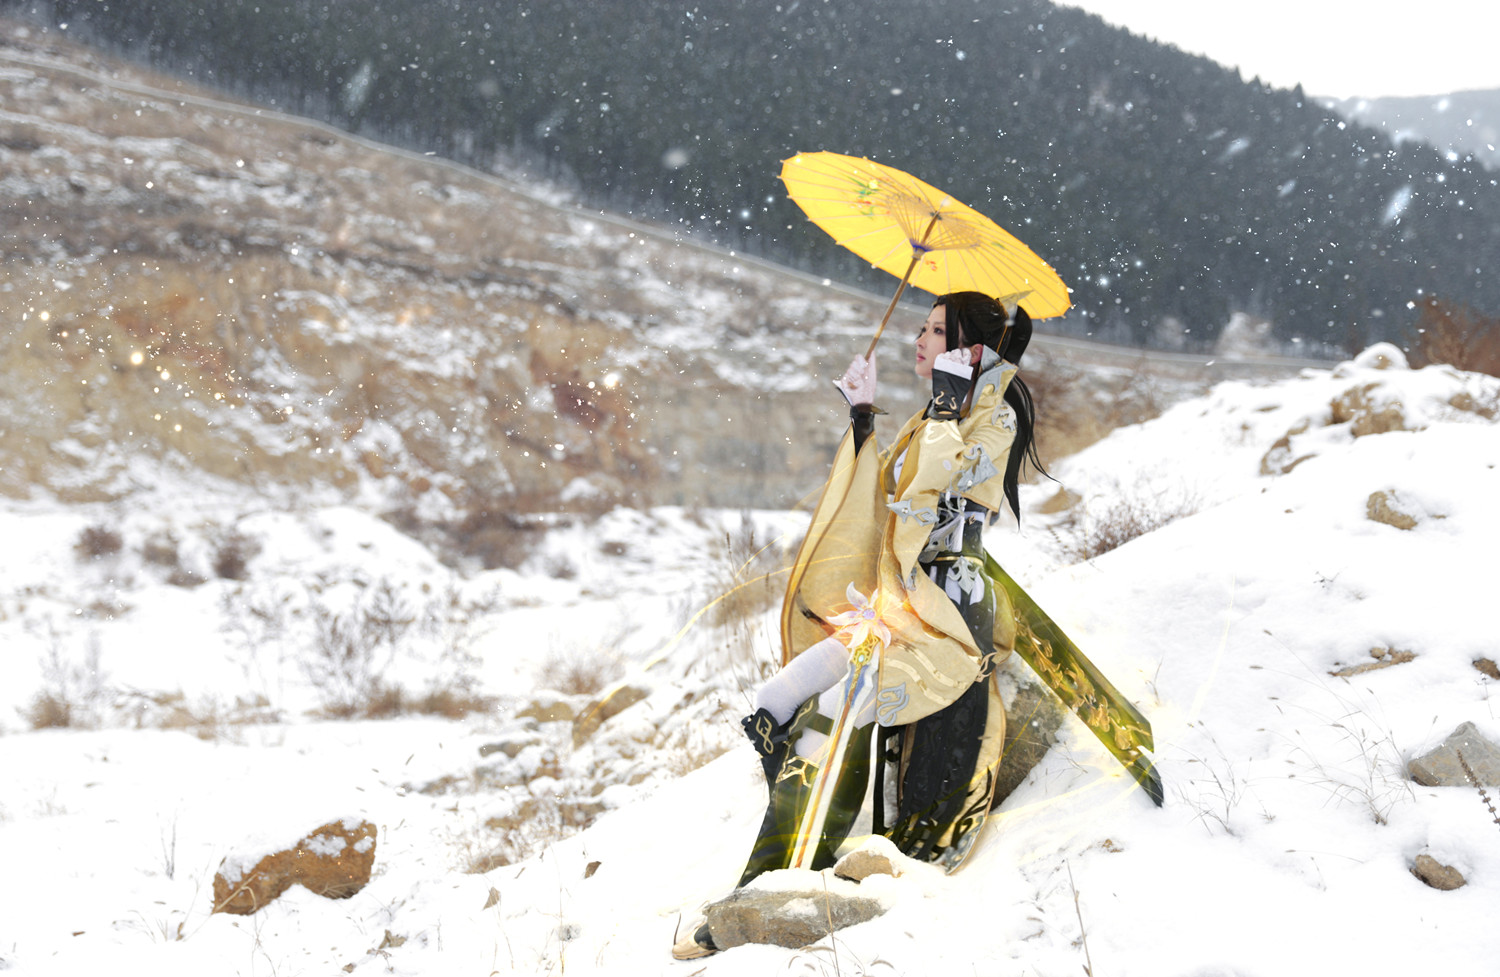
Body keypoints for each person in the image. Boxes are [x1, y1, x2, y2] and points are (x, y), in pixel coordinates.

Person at [674, 291, 1043, 960]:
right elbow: (889, 502)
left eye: (938, 330)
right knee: (773, 707)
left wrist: (945, 411)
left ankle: (765, 886)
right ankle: (777, 868)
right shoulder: (945, 411)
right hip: (899, 604)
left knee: (833, 736)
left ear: (975, 350)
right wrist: (864, 414)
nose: (920, 339)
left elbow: (933, 503)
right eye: (923, 326)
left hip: (944, 618)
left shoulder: (995, 421)